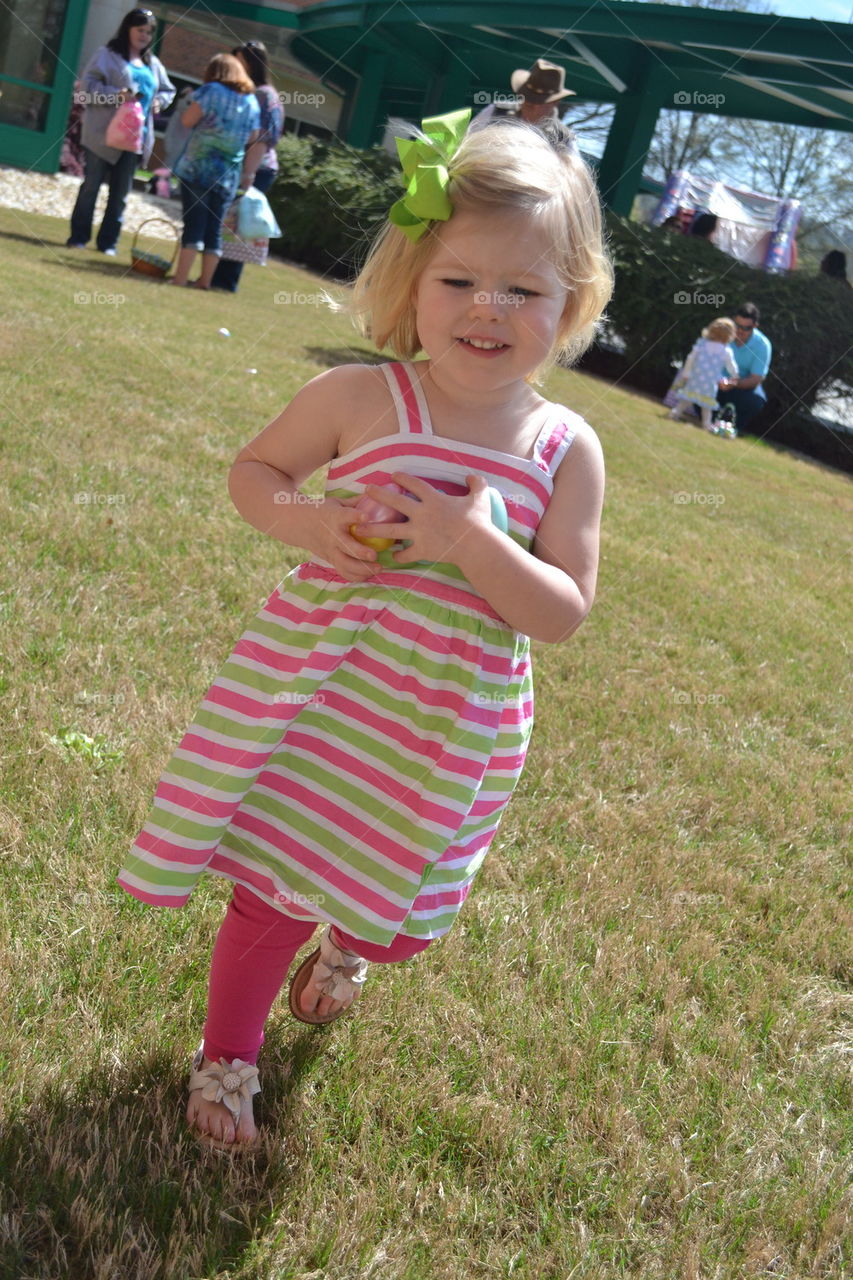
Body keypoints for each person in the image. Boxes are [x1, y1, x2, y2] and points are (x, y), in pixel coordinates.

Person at [118, 109, 612, 1148]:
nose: (486, 308)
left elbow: (562, 608)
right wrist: (306, 521)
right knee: (270, 894)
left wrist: (472, 543)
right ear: (410, 282)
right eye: (458, 279)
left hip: (442, 729)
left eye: (522, 290)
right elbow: (256, 473)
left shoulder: (565, 448)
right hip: (323, 700)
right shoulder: (358, 395)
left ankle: (352, 946)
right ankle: (228, 1057)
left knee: (394, 922)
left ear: (571, 302)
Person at [67, 7, 174, 254]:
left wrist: (159, 102)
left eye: (149, 32)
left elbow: (167, 91)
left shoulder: (153, 63)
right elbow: (85, 90)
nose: (144, 36)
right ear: (127, 29)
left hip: (134, 140)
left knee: (120, 196)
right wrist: (116, 95)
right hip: (102, 136)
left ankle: (108, 244)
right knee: (91, 188)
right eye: (140, 30)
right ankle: (78, 237)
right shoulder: (106, 55)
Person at [170, 54, 261, 289]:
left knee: (194, 224)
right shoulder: (251, 102)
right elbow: (253, 137)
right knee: (214, 229)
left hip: (198, 168)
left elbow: (188, 120)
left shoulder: (211, 90)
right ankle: (204, 281)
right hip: (228, 174)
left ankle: (180, 279)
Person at [210, 41, 284, 293]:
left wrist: (248, 174)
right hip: (248, 168)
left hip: (255, 169)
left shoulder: (262, 95)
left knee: (237, 226)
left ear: (252, 63)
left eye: (239, 60)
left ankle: (224, 282)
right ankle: (217, 278)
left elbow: (262, 139)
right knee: (231, 224)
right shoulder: (255, 92)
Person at [669, 317, 738, 431]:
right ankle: (706, 424)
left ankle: (675, 413)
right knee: (706, 406)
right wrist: (735, 376)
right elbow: (732, 366)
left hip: (695, 379)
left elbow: (690, 358)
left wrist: (686, 373)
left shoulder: (701, 344)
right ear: (729, 335)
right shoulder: (726, 351)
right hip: (710, 383)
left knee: (686, 400)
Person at [470, 59, 575, 130]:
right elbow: (466, 143)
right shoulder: (495, 111)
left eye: (538, 100)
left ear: (555, 102)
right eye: (527, 95)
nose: (529, 102)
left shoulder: (563, 138)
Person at [717, 302, 772, 431]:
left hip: (743, 388)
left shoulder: (763, 345)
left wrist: (734, 384)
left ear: (755, 326)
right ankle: (709, 419)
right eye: (737, 326)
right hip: (716, 382)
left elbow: (756, 379)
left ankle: (734, 428)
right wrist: (717, 380)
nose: (740, 331)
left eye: (746, 328)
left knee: (755, 401)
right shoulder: (722, 334)